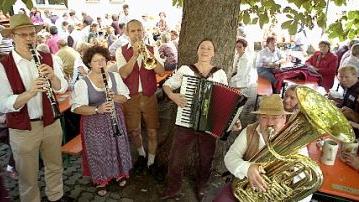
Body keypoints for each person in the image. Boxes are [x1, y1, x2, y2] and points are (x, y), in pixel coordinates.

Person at [0, 14, 68, 202]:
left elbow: (62, 87)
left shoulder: (47, 57)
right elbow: (3, 103)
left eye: (32, 34)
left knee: (55, 165)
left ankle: (56, 196)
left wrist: (53, 77)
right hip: (22, 129)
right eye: (23, 35)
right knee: (27, 176)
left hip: (50, 122)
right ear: (12, 36)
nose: (30, 39)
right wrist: (30, 93)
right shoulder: (3, 65)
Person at [160, 38, 228, 200]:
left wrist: (231, 118)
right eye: (202, 47)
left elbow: (226, 99)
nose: (205, 50)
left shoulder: (219, 73)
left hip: (208, 125)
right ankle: (173, 188)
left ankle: (201, 187)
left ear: (213, 53)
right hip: (185, 122)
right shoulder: (186, 69)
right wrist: (173, 96)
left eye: (209, 48)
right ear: (197, 50)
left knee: (206, 160)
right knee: (176, 158)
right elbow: (167, 85)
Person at [213, 94, 311, 202]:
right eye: (264, 117)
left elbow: (305, 182)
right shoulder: (249, 131)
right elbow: (230, 158)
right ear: (259, 118)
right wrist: (247, 168)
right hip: (246, 188)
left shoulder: (295, 141)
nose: (269, 123)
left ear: (284, 118)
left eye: (275, 117)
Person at [71, 45, 132, 196]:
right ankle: (101, 179)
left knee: (118, 146)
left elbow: (125, 97)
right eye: (96, 61)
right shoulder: (82, 83)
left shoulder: (114, 76)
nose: (100, 64)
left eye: (103, 60)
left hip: (115, 118)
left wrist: (114, 97)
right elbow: (76, 108)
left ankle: (119, 173)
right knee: (98, 150)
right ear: (89, 63)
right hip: (94, 122)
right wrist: (98, 109)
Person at [115, 19, 164, 176]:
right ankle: (142, 155)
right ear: (127, 33)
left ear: (143, 31)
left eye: (139, 30)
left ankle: (151, 161)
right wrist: (135, 56)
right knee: (134, 131)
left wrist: (147, 53)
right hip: (131, 97)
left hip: (149, 96)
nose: (136, 34)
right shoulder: (120, 51)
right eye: (133, 31)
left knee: (152, 131)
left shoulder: (152, 48)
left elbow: (161, 71)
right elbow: (123, 73)